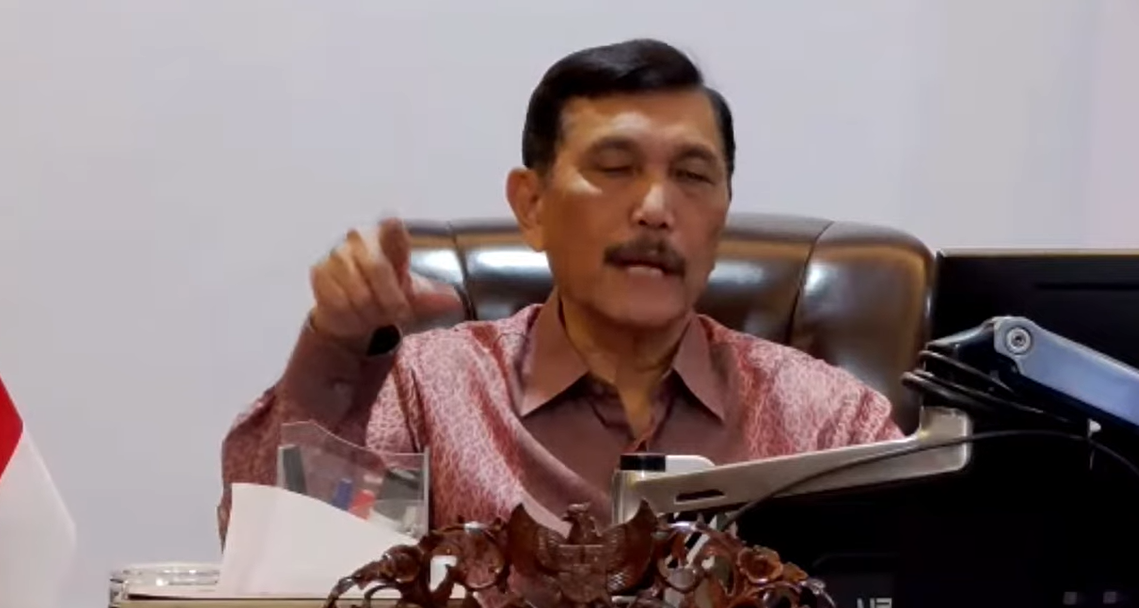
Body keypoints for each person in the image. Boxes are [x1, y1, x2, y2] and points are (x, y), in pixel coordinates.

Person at [219, 38, 902, 539]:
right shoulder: (430, 399)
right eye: (615, 167)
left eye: (693, 176)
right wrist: (336, 348)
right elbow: (300, 566)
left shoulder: (827, 425)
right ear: (533, 205)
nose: (656, 209)